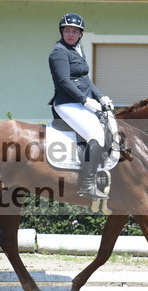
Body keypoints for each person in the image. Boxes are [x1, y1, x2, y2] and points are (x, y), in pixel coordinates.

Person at [48, 12, 114, 198]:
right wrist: (85, 100)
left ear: (80, 34)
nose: (71, 34)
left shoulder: (77, 49)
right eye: (67, 30)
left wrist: (101, 97)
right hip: (67, 103)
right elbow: (64, 82)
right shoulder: (58, 52)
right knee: (96, 135)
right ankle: (87, 185)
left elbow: (84, 78)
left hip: (79, 102)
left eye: (75, 31)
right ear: (62, 31)